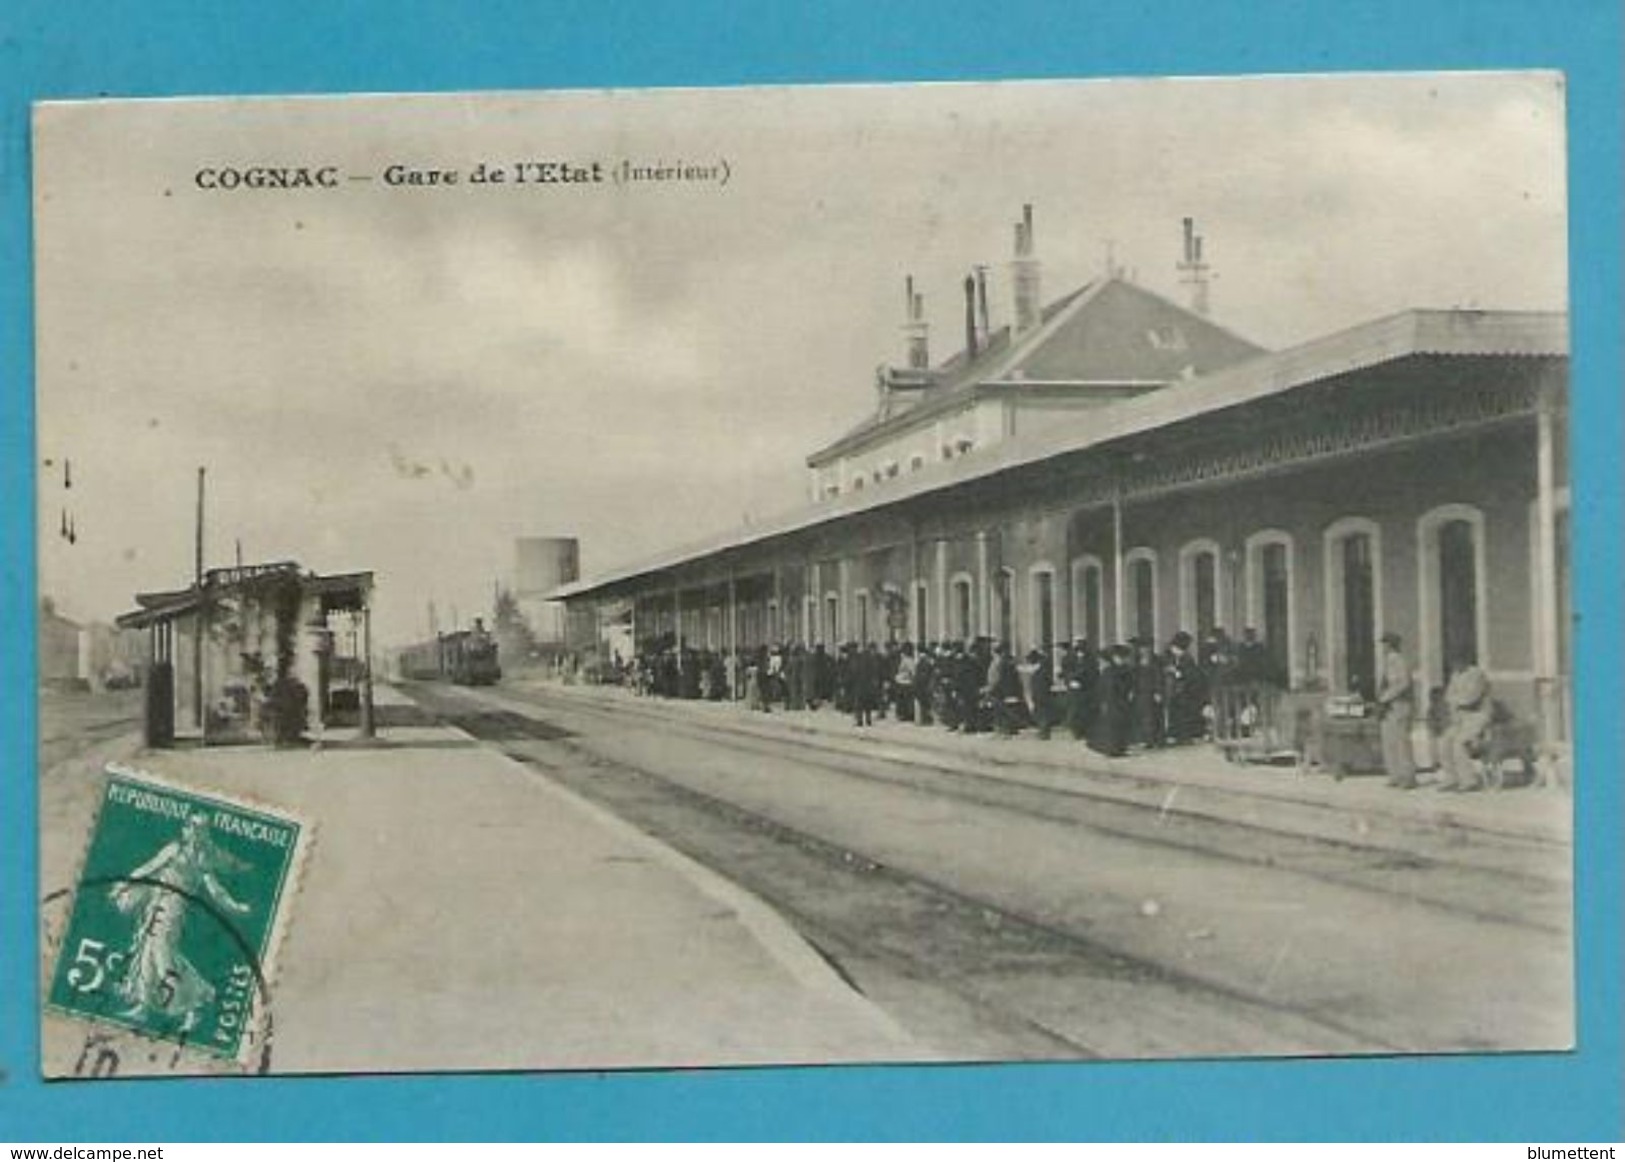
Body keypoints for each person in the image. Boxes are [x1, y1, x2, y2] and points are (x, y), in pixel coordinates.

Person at [108, 812, 252, 1031]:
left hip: (174, 908)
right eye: (192, 827)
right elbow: (149, 868)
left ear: (205, 833)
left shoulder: (203, 858)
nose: (195, 832)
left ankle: (191, 1006)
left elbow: (216, 890)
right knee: (148, 952)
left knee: (163, 954)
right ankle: (144, 1005)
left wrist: (235, 906)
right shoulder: (174, 849)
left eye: (201, 828)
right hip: (156, 903)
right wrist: (125, 884)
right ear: (185, 829)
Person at [1437, 655, 1492, 791]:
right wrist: (1456, 700)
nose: (1454, 664)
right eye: (1452, 661)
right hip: (1461, 717)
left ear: (1466, 660)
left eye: (1457, 660)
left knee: (1459, 743)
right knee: (1445, 741)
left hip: (1478, 716)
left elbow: (1470, 698)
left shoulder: (1477, 674)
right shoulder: (1455, 675)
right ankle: (1451, 778)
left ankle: (1469, 780)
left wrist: (1456, 700)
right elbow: (1448, 696)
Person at [1376, 631, 1417, 789]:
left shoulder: (1399, 660)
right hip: (1389, 706)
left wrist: (1385, 697)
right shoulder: (1389, 660)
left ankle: (1408, 776)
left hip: (1400, 704)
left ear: (1391, 644)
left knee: (1401, 741)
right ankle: (1394, 774)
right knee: (1389, 741)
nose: (1384, 647)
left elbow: (1403, 684)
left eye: (1386, 643)